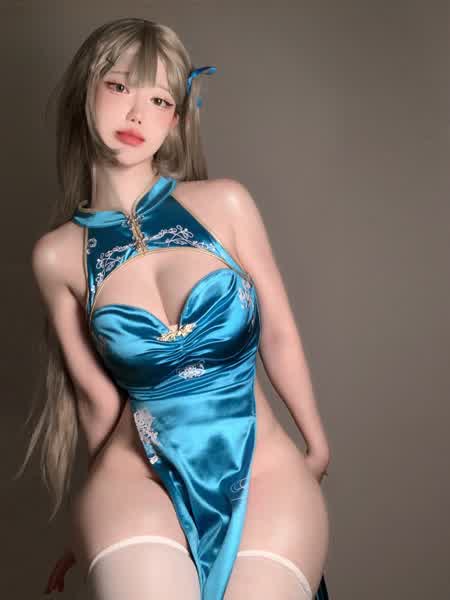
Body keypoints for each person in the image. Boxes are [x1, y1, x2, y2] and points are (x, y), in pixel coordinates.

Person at [21, 17, 331, 600]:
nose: (137, 113)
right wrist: (92, 519)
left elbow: (279, 335)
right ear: (86, 90)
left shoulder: (225, 205)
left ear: (177, 118)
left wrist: (317, 444)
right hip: (134, 477)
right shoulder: (57, 256)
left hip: (261, 465)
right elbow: (96, 401)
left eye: (159, 99)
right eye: (120, 86)